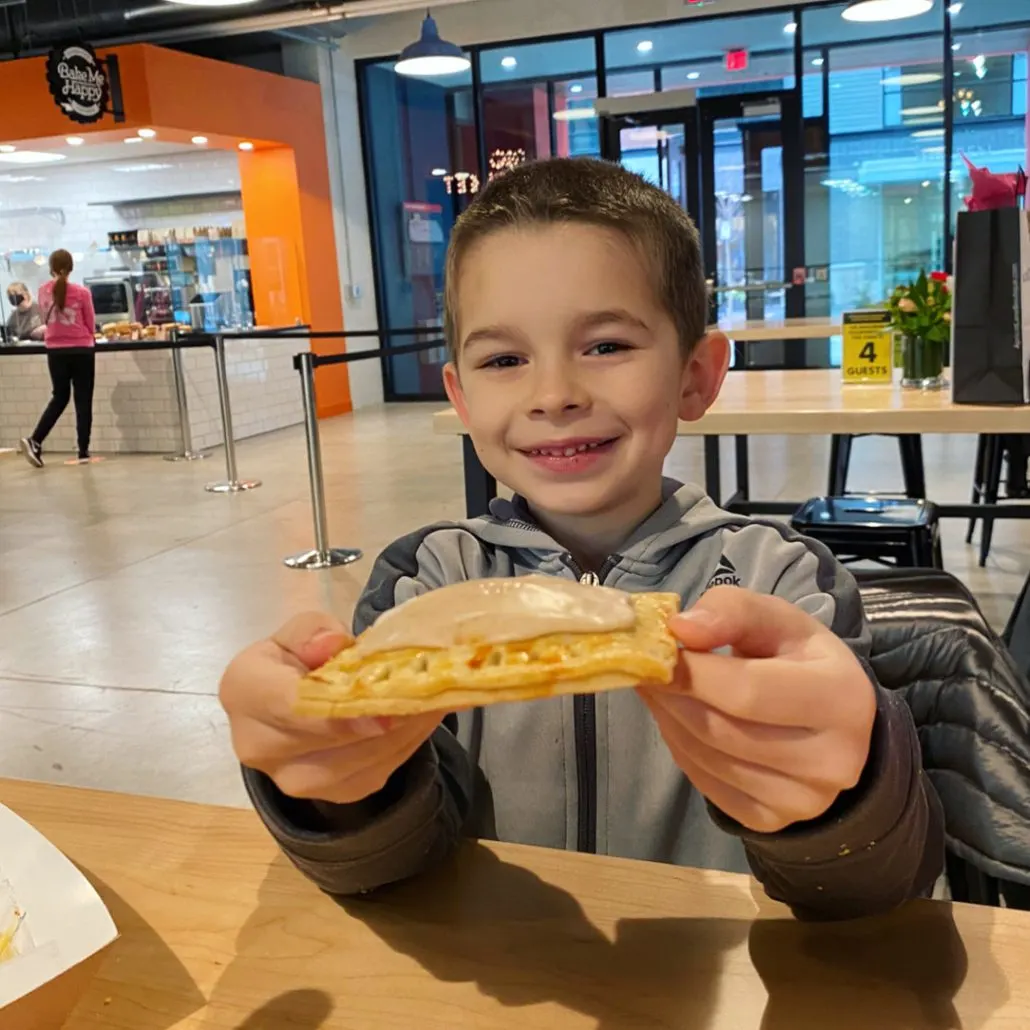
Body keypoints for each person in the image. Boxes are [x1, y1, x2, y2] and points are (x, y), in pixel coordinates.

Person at [220, 158, 944, 921]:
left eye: (605, 346)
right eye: (504, 359)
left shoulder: (784, 582)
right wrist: (338, 787)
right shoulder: (423, 584)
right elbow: (385, 871)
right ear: (460, 396)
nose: (555, 395)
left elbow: (881, 889)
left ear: (696, 374)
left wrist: (847, 795)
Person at [20, 250, 98, 468]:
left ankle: (36, 440)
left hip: (55, 351)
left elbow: (46, 320)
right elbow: (90, 324)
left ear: (51, 267)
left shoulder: (43, 292)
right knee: (83, 400)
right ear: (70, 267)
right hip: (81, 350)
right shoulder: (82, 293)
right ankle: (83, 450)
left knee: (59, 397)